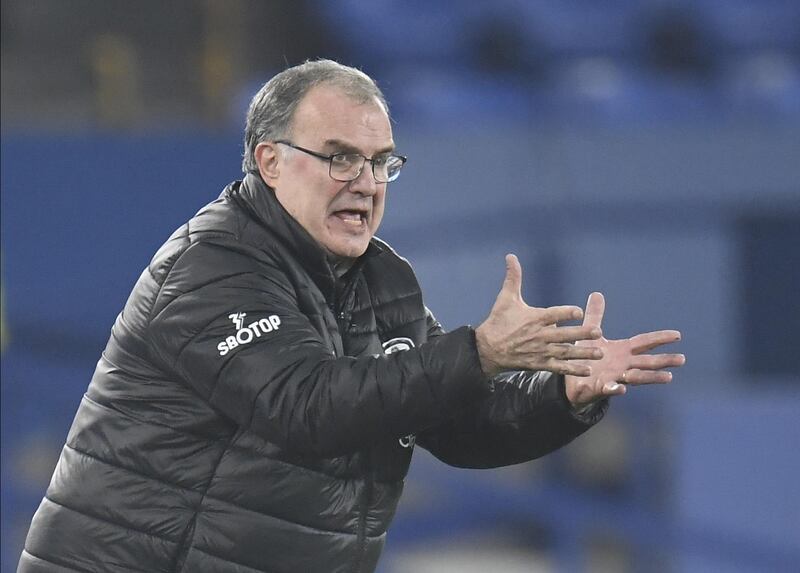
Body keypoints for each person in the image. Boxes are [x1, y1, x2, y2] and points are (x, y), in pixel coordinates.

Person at [19, 59, 684, 573]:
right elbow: (308, 407)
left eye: (379, 161)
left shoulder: (384, 281)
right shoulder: (211, 265)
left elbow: (460, 426)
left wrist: (563, 396)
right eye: (339, 156)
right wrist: (476, 353)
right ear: (269, 161)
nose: (365, 181)